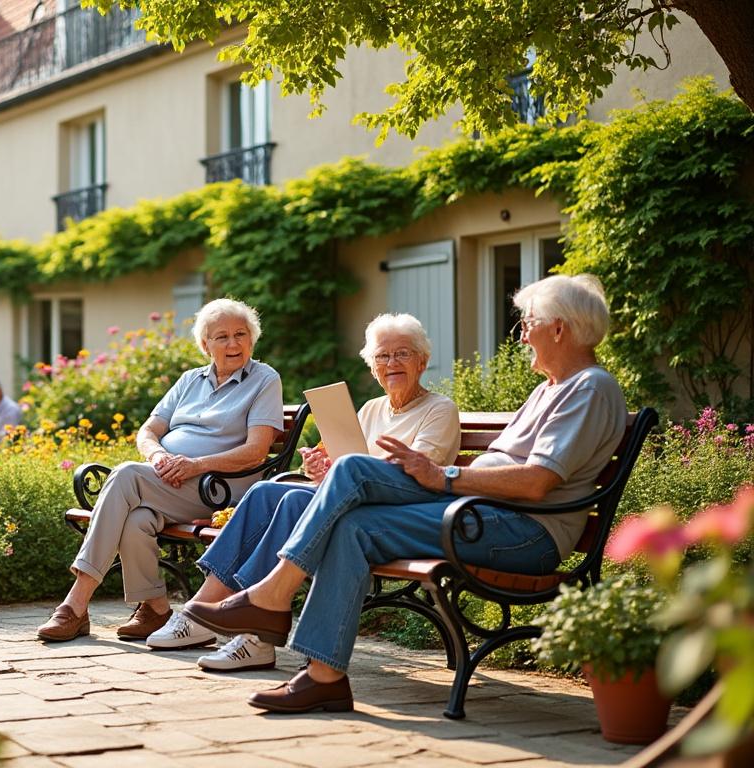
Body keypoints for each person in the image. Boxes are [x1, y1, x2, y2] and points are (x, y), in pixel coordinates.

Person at [181, 274, 626, 714]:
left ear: (560, 328)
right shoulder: (551, 388)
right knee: (351, 526)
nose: (523, 334)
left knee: (354, 468)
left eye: (527, 323)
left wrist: (444, 477)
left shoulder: (588, 388)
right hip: (480, 514)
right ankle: (324, 678)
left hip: (523, 530)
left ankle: (271, 598)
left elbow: (536, 482)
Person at [145, 314, 461, 672]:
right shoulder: (372, 409)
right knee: (266, 491)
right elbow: (352, 465)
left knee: (294, 499)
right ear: (372, 367)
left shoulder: (439, 410)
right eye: (382, 357)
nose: (391, 364)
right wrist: (324, 470)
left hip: (394, 514)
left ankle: (249, 632)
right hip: (353, 503)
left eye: (402, 354)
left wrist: (345, 472)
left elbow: (418, 474)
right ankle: (210, 610)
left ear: (422, 360)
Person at [36, 298, 285, 644]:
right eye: (222, 337)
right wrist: (157, 458)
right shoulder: (189, 381)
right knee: (137, 518)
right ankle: (155, 608)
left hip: (218, 490)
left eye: (240, 334)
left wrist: (195, 465)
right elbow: (148, 431)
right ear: (205, 345)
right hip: (170, 481)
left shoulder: (264, 379)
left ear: (252, 339)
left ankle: (75, 603)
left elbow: (256, 451)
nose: (232, 344)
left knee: (125, 475)